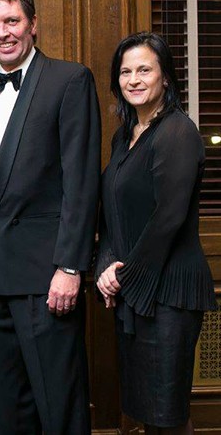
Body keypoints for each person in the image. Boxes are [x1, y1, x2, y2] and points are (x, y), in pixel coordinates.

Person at [0, 0, 101, 434]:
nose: (2, 32)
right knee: (4, 407)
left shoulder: (70, 79)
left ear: (33, 24)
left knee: (58, 404)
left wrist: (70, 266)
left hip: (47, 277)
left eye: (11, 21)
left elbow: (81, 183)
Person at [95, 32, 217, 434]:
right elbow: (109, 209)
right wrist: (105, 266)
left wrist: (123, 276)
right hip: (135, 289)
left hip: (170, 294)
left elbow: (169, 218)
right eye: (125, 71)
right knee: (146, 413)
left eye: (144, 69)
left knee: (168, 416)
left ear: (165, 77)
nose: (133, 79)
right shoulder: (125, 136)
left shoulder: (178, 131)